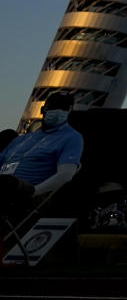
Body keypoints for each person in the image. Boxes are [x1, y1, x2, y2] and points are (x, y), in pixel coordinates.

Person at [0, 92, 83, 223]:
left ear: (69, 112)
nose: (58, 111)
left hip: (27, 190)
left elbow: (66, 174)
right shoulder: (22, 140)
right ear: (43, 109)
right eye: (54, 106)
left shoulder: (71, 138)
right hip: (5, 184)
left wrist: (34, 191)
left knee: (6, 183)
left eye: (64, 108)